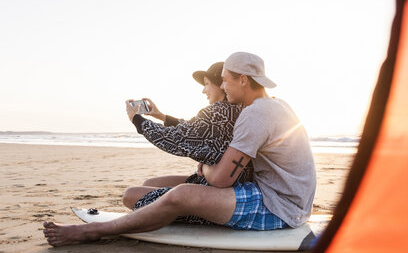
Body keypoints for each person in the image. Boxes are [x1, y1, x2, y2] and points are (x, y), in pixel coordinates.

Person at [43, 52, 316, 247]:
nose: (221, 86)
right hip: (286, 198)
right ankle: (163, 211)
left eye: (224, 80)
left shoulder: (255, 115)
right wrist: (163, 117)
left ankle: (93, 232)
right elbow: (196, 131)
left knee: (183, 193)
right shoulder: (274, 105)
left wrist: (205, 166)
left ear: (243, 80)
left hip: (277, 205)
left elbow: (221, 178)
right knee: (169, 188)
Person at [124, 62, 253, 225]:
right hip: (224, 184)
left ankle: (176, 212)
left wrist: (137, 119)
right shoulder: (236, 109)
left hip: (217, 192)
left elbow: (177, 139)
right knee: (149, 185)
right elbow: (193, 128)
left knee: (130, 195)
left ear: (221, 84)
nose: (203, 90)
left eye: (206, 84)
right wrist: (160, 116)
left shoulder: (216, 111)